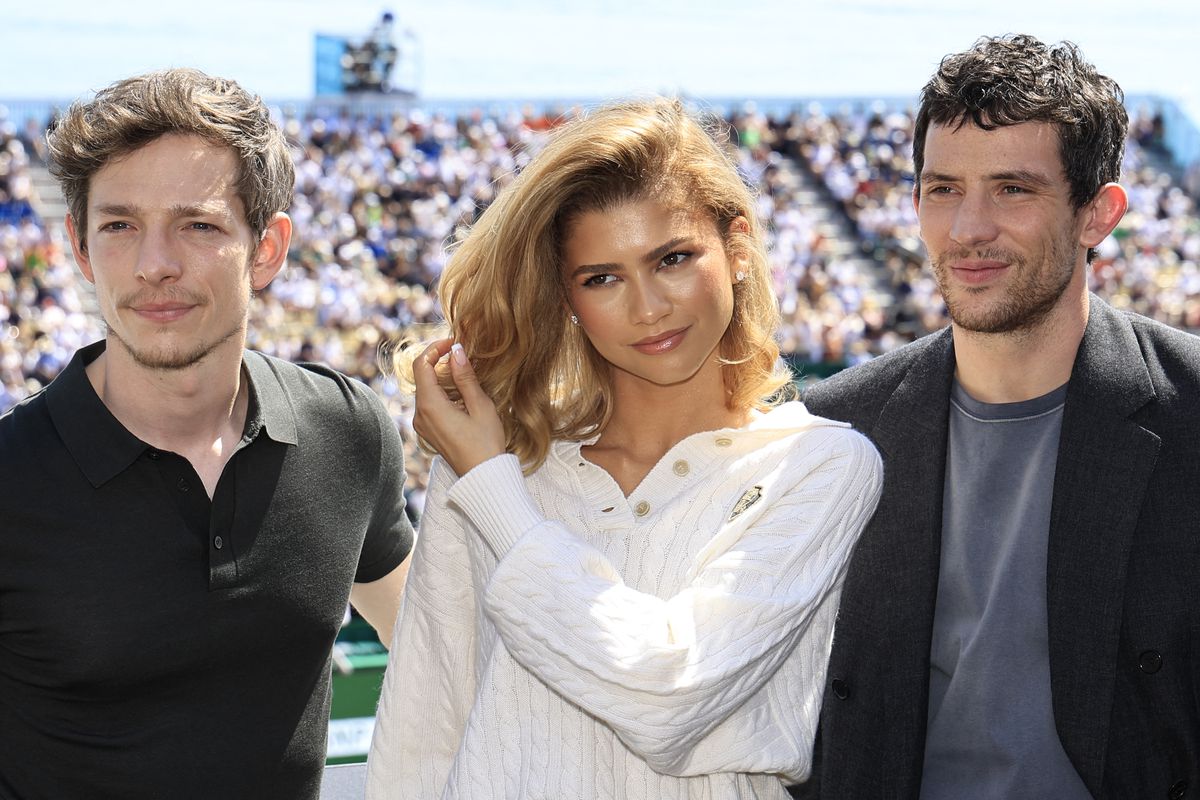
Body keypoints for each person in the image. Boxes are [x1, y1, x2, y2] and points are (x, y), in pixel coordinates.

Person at [364, 98, 883, 799]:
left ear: (736, 249)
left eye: (672, 259)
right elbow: (422, 731)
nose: (647, 308)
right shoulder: (496, 464)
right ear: (566, 297)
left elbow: (670, 696)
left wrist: (496, 494)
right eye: (601, 277)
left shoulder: (817, 467)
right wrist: (490, 477)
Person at [796, 34, 1200, 799]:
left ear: (1097, 214)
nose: (968, 228)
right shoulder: (834, 427)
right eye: (942, 188)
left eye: (1012, 189)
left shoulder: (1192, 413)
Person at [0, 69, 413, 799]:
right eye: (120, 225)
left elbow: (430, 644)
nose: (155, 265)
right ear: (81, 247)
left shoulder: (348, 433)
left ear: (268, 247)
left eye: (198, 225)